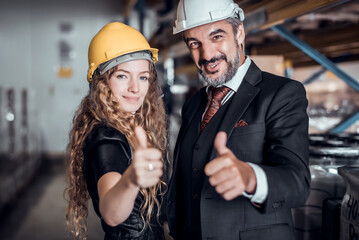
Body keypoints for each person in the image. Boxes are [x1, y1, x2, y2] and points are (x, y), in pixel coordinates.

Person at [165, 0, 311, 239]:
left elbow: (298, 183)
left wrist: (250, 177)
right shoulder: (194, 105)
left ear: (239, 32)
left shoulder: (281, 94)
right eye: (194, 43)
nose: (207, 55)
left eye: (216, 36)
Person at [64, 22, 167, 240]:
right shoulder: (106, 137)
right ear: (101, 82)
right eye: (122, 75)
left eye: (143, 76)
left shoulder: (128, 125)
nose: (135, 88)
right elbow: (111, 212)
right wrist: (131, 180)